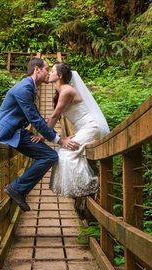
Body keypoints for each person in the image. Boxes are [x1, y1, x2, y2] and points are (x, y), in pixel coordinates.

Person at [0, 58, 79, 212]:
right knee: (50, 156)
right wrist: (60, 140)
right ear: (37, 70)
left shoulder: (29, 87)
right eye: (47, 69)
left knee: (49, 155)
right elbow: (34, 118)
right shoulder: (24, 88)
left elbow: (34, 116)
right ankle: (17, 188)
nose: (48, 73)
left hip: (17, 131)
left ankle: (18, 188)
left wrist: (44, 126)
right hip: (9, 133)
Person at [47, 62, 111, 198]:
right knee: (69, 150)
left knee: (66, 151)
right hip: (85, 127)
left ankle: (89, 186)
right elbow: (53, 118)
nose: (49, 73)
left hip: (91, 126)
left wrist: (43, 136)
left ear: (59, 75)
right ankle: (84, 190)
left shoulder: (67, 90)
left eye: (52, 71)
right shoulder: (61, 91)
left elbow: (55, 116)